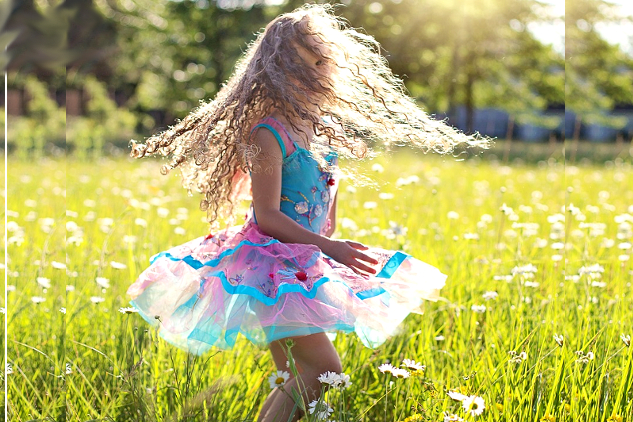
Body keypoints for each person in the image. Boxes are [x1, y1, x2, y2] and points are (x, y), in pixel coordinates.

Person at [126, 4, 488, 421]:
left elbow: (323, 201)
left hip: (304, 264)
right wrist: (328, 245)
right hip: (271, 267)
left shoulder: (320, 131)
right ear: (277, 72)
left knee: (297, 380)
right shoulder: (267, 134)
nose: (315, 73)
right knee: (325, 371)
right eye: (301, 65)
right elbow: (266, 217)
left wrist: (329, 238)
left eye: (321, 62)